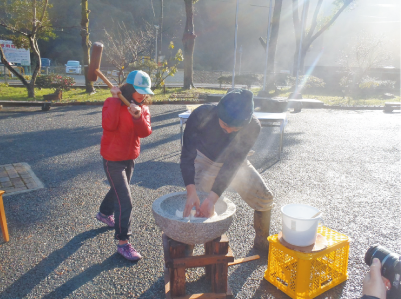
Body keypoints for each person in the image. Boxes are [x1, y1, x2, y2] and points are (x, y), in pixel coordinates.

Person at [180, 89, 274, 250]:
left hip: (234, 162)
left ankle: (261, 241)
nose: (228, 131)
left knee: (265, 198)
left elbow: (232, 165)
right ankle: (187, 248)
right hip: (204, 159)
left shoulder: (252, 126)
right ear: (218, 113)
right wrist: (191, 191)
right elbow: (187, 156)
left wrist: (212, 198)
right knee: (199, 211)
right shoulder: (201, 115)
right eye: (225, 125)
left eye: (235, 128)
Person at [96, 70, 153, 261]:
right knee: (125, 200)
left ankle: (104, 213)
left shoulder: (142, 108)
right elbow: (109, 126)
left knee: (119, 190)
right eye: (140, 90)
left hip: (130, 157)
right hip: (112, 159)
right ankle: (123, 243)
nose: (143, 95)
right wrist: (113, 100)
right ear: (128, 89)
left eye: (146, 91)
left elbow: (145, 133)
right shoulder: (112, 103)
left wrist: (138, 117)